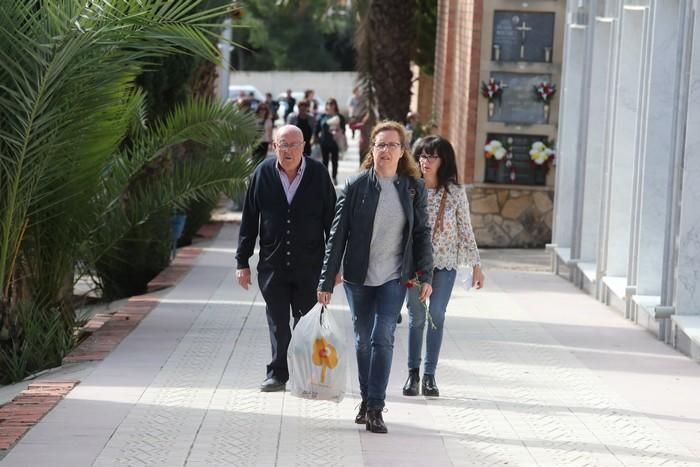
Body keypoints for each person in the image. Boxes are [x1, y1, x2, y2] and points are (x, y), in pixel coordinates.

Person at [317, 121, 434, 434]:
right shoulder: (356, 186)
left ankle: (376, 407)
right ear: (372, 149)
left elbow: (422, 233)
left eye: (392, 145)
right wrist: (326, 280)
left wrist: (426, 275)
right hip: (358, 278)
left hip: (394, 278)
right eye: (381, 145)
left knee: (382, 337)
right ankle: (367, 400)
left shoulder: (413, 187)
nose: (386, 150)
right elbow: (337, 236)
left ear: (402, 151)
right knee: (363, 341)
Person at [236, 125, 337, 392]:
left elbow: (332, 224)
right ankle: (278, 373)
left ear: (304, 146)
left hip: (310, 266)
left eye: (294, 144)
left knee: (306, 322)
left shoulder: (318, 174)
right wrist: (242, 262)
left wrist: (335, 266)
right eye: (283, 144)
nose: (289, 150)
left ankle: (305, 373)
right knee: (279, 321)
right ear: (274, 146)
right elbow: (249, 220)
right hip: (273, 265)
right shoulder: (262, 174)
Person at [403, 136, 484, 398]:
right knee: (416, 319)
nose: (425, 161)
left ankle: (430, 376)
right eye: (422, 156)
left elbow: (465, 230)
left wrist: (476, 265)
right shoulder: (409, 189)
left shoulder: (455, 193)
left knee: (436, 316)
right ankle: (412, 374)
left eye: (432, 156)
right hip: (415, 266)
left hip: (445, 265)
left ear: (444, 160)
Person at [314, 98, 346, 185]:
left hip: (335, 142)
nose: (330, 106)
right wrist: (315, 137)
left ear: (335, 105)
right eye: (328, 104)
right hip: (324, 142)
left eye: (332, 104)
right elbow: (317, 128)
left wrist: (337, 130)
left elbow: (343, 129)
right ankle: (325, 178)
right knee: (325, 161)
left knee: (335, 161)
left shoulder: (339, 117)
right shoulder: (322, 116)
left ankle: (334, 177)